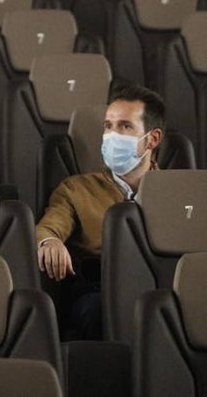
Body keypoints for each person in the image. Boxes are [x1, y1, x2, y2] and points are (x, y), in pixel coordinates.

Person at [35, 82, 165, 339]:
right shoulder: (75, 188)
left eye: (125, 126)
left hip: (162, 286)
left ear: (152, 139)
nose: (112, 135)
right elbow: (48, 227)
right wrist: (50, 241)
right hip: (100, 289)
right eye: (108, 126)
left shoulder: (179, 193)